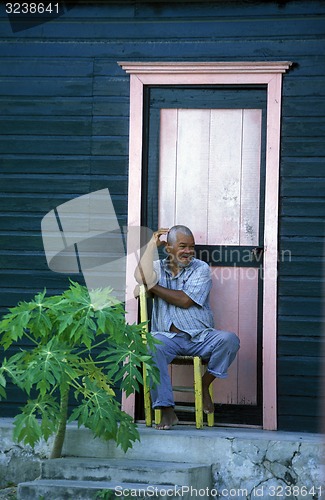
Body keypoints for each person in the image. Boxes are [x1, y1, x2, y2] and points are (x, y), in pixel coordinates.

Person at [134, 225, 240, 430]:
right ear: (169, 249)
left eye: (191, 247)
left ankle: (204, 384)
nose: (188, 251)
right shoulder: (157, 266)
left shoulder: (201, 268)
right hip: (167, 338)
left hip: (200, 337)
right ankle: (166, 409)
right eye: (182, 246)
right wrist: (149, 248)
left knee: (230, 340)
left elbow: (184, 301)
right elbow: (139, 279)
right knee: (152, 346)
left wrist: (152, 286)